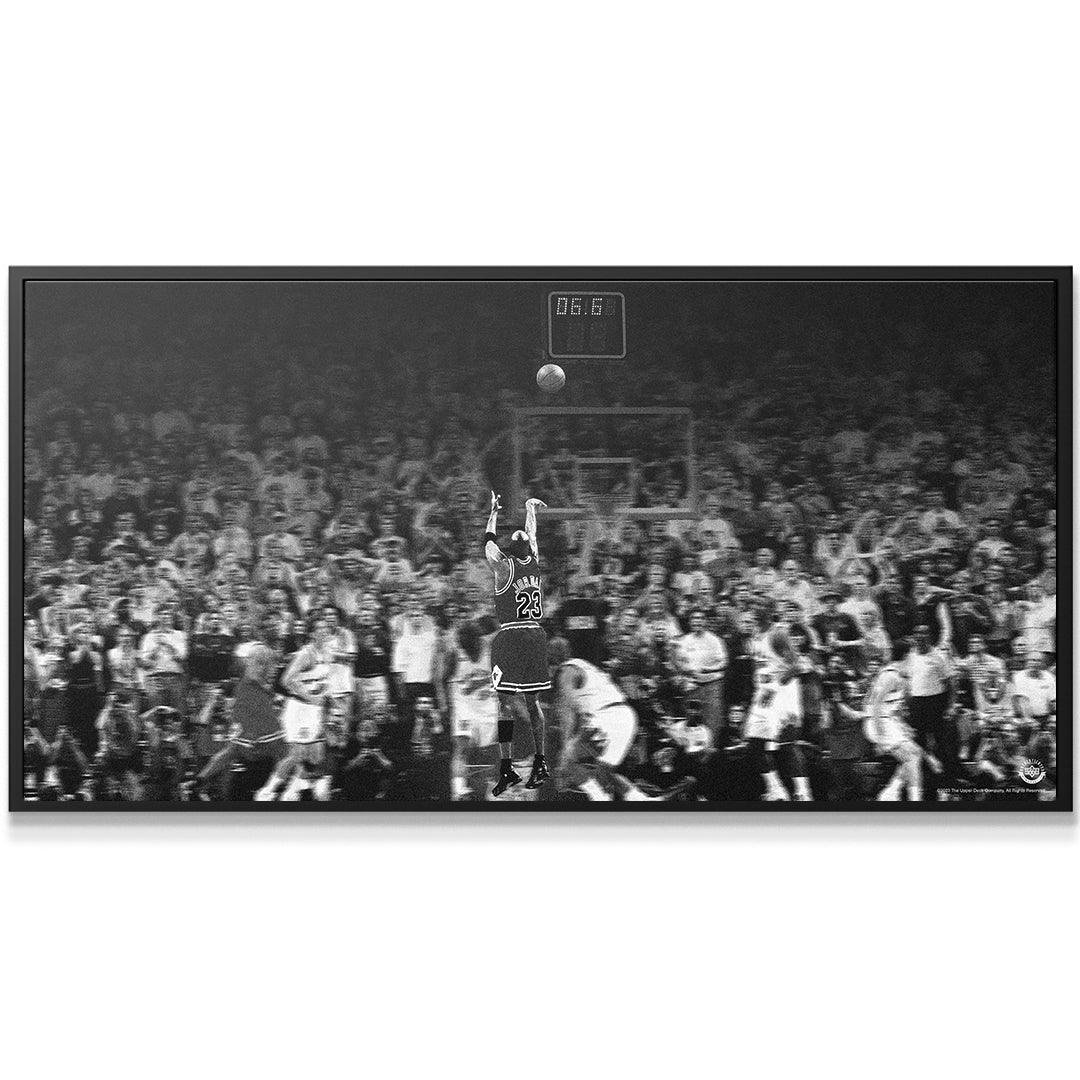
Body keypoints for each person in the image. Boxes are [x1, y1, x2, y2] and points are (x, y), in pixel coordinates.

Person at [484, 491, 550, 796]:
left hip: (511, 635)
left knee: (504, 704)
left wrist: (494, 513)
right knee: (533, 702)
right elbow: (532, 534)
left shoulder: (503, 566)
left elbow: (487, 542)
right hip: (536, 635)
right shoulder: (534, 560)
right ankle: (540, 762)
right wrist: (529, 508)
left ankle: (507, 767)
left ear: (509, 550)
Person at [550, 638, 649, 801]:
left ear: (551, 658)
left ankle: (600, 800)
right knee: (604, 771)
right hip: (626, 716)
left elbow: (568, 711)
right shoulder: (584, 665)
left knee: (569, 762)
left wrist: (567, 744)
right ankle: (642, 800)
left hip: (607, 717)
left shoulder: (566, 672)